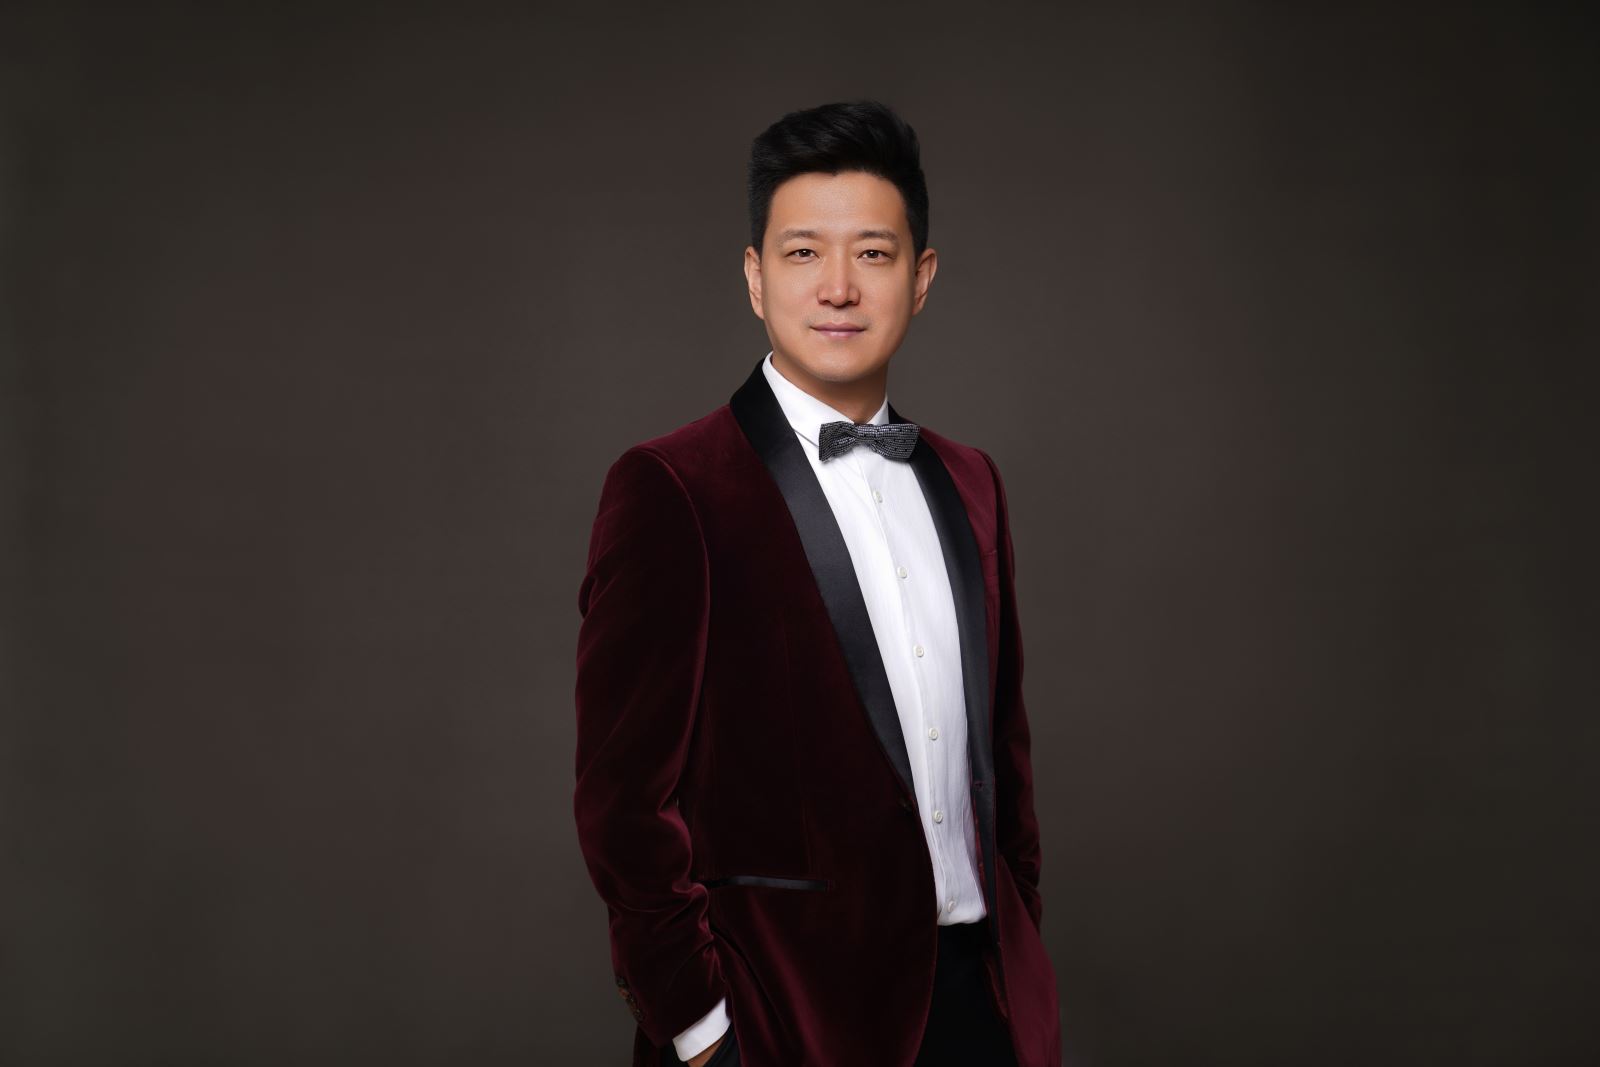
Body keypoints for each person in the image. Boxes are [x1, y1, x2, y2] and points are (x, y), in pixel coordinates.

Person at [574, 99, 1061, 1067]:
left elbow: (1004, 761)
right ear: (756, 277)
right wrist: (702, 1029)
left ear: (921, 278)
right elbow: (622, 802)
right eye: (803, 253)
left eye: (873, 253)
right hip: (784, 1022)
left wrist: (1020, 973)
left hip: (981, 1009)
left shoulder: (972, 482)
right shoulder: (672, 486)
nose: (839, 286)